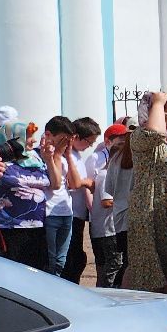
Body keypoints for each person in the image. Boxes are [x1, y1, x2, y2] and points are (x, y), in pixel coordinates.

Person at [124, 92, 167, 294]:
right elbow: (155, 133)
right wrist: (158, 102)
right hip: (149, 209)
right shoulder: (140, 137)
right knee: (149, 270)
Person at [0, 121, 51, 270]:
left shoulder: (36, 159)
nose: (33, 140)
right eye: (28, 136)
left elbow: (53, 183)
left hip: (37, 226)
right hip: (10, 228)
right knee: (14, 272)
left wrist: (49, 158)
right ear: (13, 138)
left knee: (37, 271)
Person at [90, 123, 133, 288]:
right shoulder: (105, 174)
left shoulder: (106, 173)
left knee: (113, 264)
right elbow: (106, 200)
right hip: (108, 230)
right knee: (113, 265)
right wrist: (127, 200)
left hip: (111, 227)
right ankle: (107, 292)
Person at [59, 117, 100, 283]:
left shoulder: (76, 155)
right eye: (89, 142)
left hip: (78, 214)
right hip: (70, 213)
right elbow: (73, 182)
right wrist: (86, 182)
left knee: (77, 257)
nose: (90, 146)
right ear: (76, 137)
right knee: (72, 258)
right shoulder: (66, 156)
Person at [39, 116, 79, 276]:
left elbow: (75, 184)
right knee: (50, 260)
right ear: (48, 134)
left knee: (61, 261)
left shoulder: (65, 156)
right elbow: (55, 185)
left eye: (69, 140)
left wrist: (67, 155)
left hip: (66, 213)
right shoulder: (41, 155)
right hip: (49, 213)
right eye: (63, 139)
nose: (66, 144)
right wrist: (55, 155)